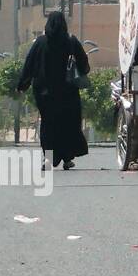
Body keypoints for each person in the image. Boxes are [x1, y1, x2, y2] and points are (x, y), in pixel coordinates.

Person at [16, 11, 91, 171]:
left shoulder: (41, 42)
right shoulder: (71, 41)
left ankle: (48, 159)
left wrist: (22, 85)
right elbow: (84, 63)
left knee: (49, 125)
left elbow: (29, 64)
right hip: (68, 92)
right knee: (68, 123)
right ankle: (66, 158)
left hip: (45, 93)